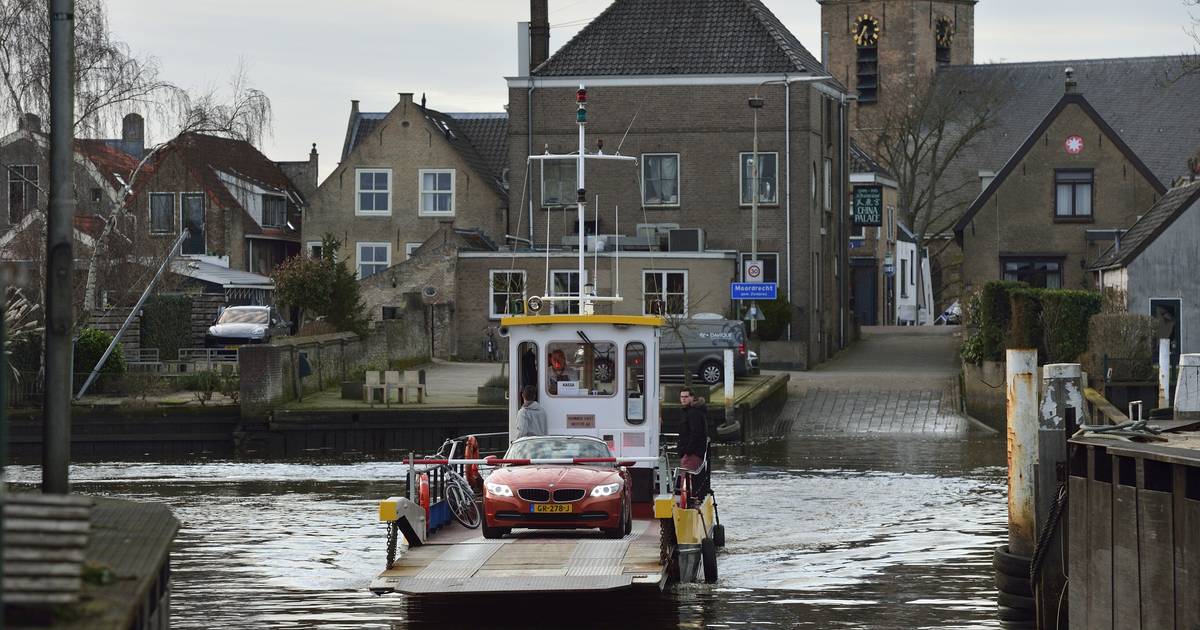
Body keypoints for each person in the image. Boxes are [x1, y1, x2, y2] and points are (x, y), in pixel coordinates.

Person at [676, 387, 710, 498]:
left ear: (692, 397)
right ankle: (692, 499)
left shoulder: (693, 413)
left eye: (686, 397)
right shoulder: (691, 412)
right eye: (682, 397)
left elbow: (696, 433)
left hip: (692, 454)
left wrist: (687, 451)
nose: (683, 399)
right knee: (688, 479)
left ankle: (689, 502)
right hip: (691, 453)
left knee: (687, 480)